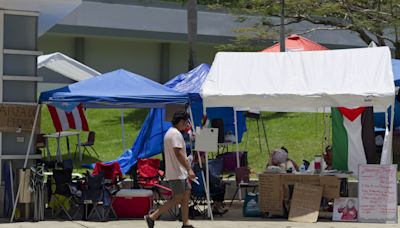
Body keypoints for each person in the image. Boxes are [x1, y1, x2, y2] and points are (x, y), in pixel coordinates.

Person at [145, 111, 195, 228]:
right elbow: (178, 153)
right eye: (186, 122)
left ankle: (185, 222)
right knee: (178, 197)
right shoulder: (175, 134)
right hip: (177, 172)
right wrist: (189, 169)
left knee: (186, 195)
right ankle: (152, 216)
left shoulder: (170, 133)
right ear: (181, 122)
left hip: (179, 172)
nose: (186, 125)